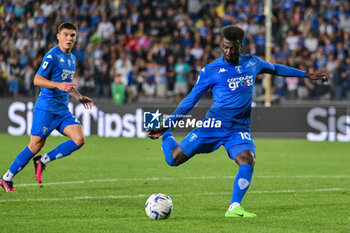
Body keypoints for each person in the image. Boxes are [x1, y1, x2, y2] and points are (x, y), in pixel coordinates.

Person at [147, 25, 328, 217]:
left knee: (247, 159)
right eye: (225, 47)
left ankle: (234, 207)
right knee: (173, 159)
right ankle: (165, 133)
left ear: (241, 47)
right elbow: (192, 98)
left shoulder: (252, 63)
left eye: (233, 48)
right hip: (213, 126)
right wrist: (170, 123)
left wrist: (305, 74)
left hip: (238, 129)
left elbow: (275, 69)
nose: (228, 51)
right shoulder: (211, 70)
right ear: (221, 46)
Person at [0, 22, 94, 193]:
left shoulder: (72, 58)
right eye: (65, 34)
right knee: (35, 146)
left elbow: (66, 84)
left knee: (79, 139)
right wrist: (58, 85)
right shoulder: (52, 56)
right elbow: (37, 80)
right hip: (46, 108)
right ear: (58, 36)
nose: (69, 38)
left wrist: (79, 96)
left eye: (72, 35)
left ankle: (42, 161)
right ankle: (7, 178)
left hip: (62, 110)